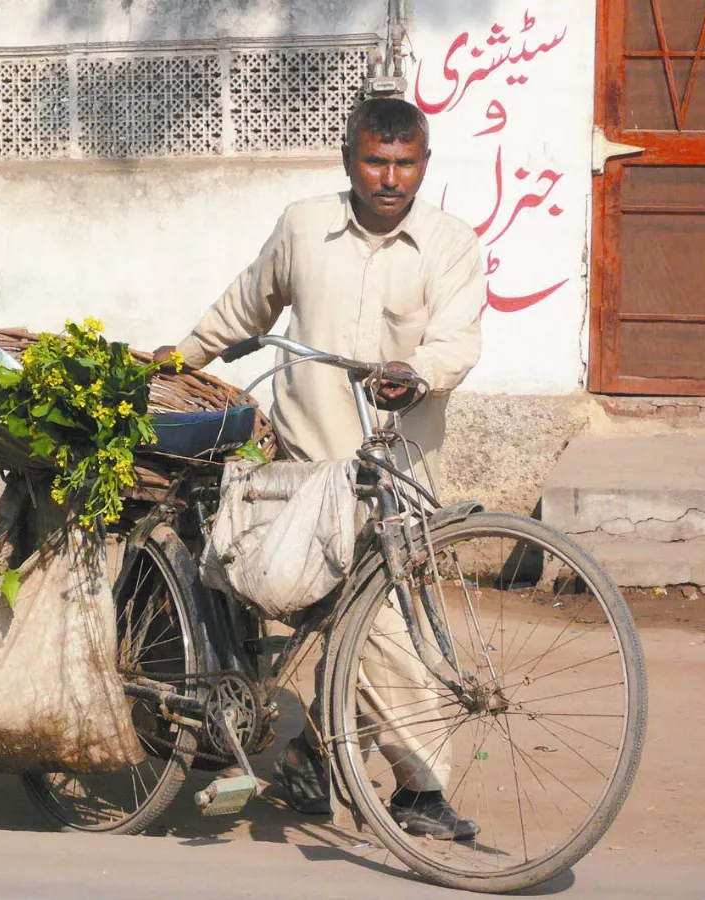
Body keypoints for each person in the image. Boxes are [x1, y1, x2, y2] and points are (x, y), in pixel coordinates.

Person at [154, 97, 485, 841]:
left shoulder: (452, 244)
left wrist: (418, 371)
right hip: (309, 461)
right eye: (376, 161)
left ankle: (312, 752)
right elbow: (248, 304)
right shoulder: (303, 225)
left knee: (376, 625)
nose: (390, 177)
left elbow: (460, 340)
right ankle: (418, 789)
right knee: (379, 628)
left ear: (424, 165)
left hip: (398, 470)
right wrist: (178, 359)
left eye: (405, 163)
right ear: (349, 162)